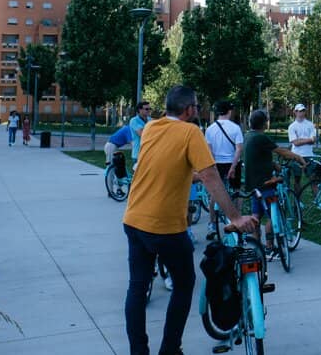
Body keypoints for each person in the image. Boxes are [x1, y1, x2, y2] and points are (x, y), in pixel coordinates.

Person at [123, 85, 257, 355]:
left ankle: (138, 351)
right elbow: (210, 176)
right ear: (189, 109)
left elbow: (165, 166)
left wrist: (189, 176)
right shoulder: (190, 132)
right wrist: (235, 216)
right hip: (164, 226)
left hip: (134, 219)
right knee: (184, 285)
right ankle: (170, 349)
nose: (198, 110)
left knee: (137, 287)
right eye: (197, 106)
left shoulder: (152, 127)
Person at [243, 109, 307, 254]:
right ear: (265, 123)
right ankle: (270, 246)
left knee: (256, 215)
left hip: (253, 183)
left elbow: (256, 157)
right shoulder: (261, 137)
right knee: (274, 214)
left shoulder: (248, 136)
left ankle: (257, 247)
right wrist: (299, 158)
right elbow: (282, 151)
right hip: (265, 182)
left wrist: (272, 165)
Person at [204, 100, 244, 239]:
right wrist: (233, 166)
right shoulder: (235, 128)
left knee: (215, 193)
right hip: (232, 163)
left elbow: (209, 151)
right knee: (237, 192)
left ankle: (211, 224)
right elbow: (239, 149)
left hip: (217, 164)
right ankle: (237, 220)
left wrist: (213, 165)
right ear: (229, 111)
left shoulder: (210, 129)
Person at [288, 104, 317, 190]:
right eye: (299, 111)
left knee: (313, 179)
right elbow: (295, 143)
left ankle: (317, 202)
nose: (301, 113)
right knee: (297, 179)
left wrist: (300, 140)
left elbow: (313, 140)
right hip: (296, 156)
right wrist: (308, 140)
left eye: (303, 111)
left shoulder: (310, 124)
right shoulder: (292, 126)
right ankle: (298, 202)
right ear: (295, 112)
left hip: (309, 155)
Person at [130, 101, 151, 171]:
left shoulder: (150, 120)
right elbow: (142, 134)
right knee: (137, 179)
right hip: (138, 154)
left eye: (150, 109)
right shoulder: (134, 120)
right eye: (147, 109)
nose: (149, 111)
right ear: (140, 110)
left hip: (149, 153)